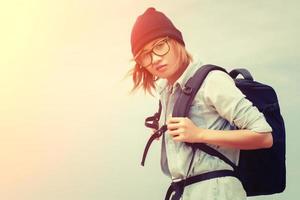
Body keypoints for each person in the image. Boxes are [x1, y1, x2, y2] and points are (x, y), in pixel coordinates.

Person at [129, 7, 273, 200]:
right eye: (145, 55)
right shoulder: (167, 91)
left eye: (160, 45)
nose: (155, 58)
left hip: (218, 192)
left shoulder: (212, 80)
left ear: (176, 41)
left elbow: (264, 136)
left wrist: (199, 134)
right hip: (185, 192)